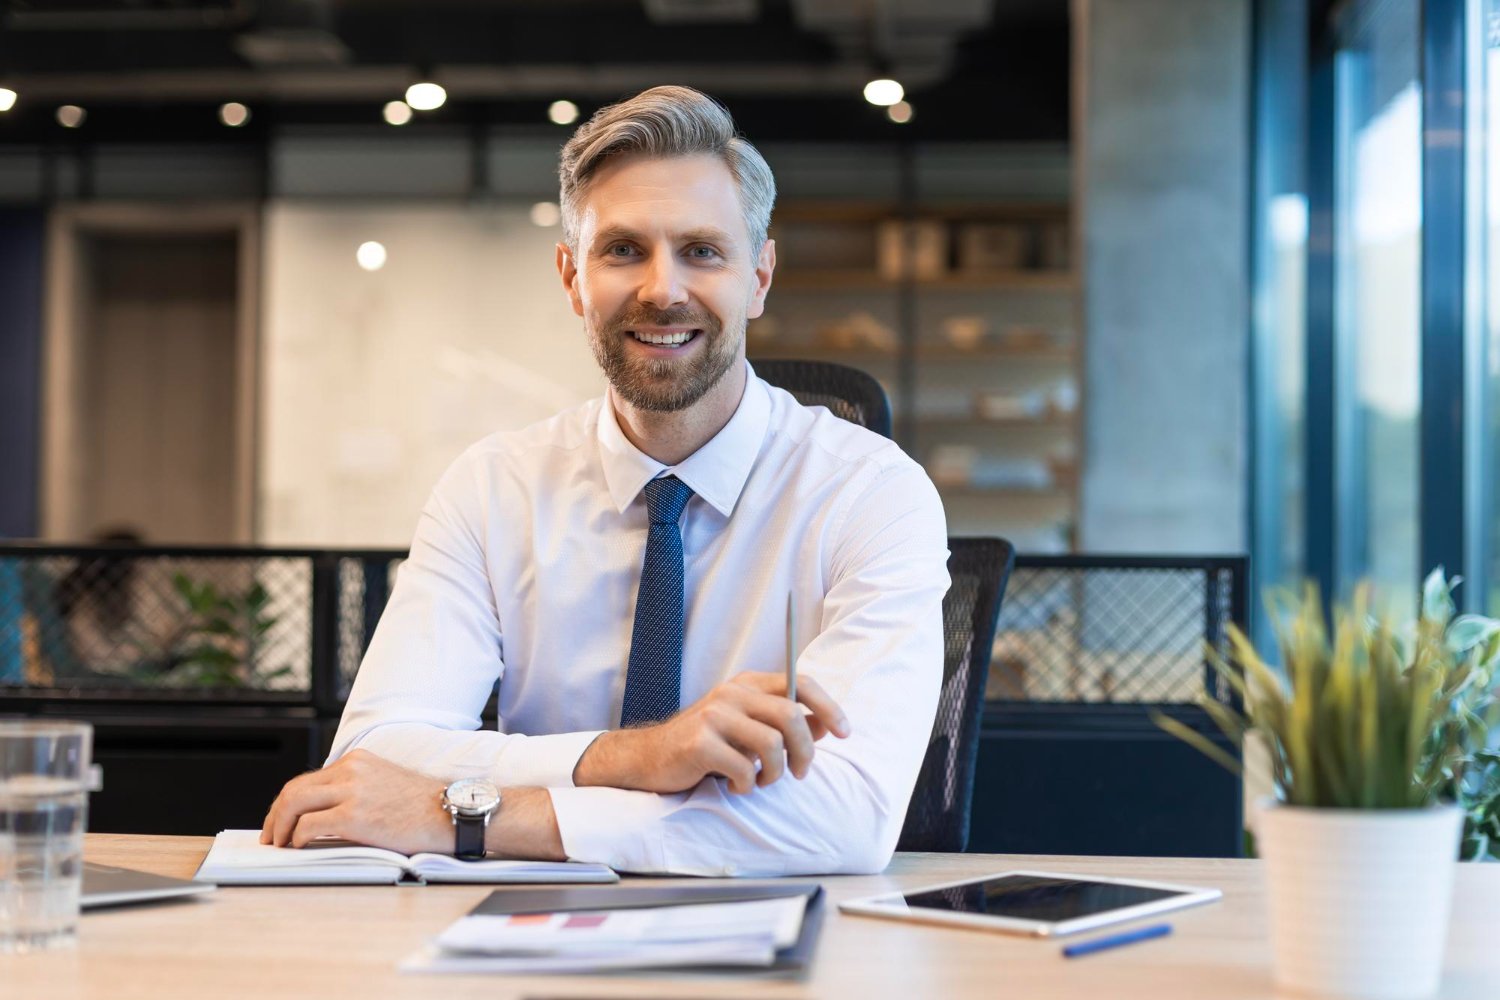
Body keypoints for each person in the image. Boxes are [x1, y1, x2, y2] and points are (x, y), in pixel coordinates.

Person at [261, 86, 950, 876]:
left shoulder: (869, 494)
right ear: (571, 277)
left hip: (776, 933)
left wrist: (473, 815)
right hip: (522, 929)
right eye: (623, 250)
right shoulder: (492, 488)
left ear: (759, 277)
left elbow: (846, 814)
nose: (663, 290)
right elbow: (376, 752)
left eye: (703, 251)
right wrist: (641, 756)